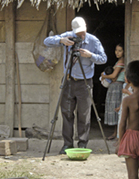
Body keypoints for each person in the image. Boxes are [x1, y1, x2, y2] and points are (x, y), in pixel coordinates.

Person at [44, 17, 107, 154]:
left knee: (84, 114)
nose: (81, 36)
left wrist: (90, 55)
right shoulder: (68, 36)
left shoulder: (93, 41)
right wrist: (61, 40)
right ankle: (67, 144)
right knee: (66, 112)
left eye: (82, 32)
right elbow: (46, 41)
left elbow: (103, 59)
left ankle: (82, 144)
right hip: (68, 80)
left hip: (85, 82)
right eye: (78, 33)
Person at [101, 43, 125, 140]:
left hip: (117, 88)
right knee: (115, 111)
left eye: (120, 50)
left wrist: (103, 76)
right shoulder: (118, 61)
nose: (117, 52)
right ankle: (115, 134)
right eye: (116, 50)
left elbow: (113, 76)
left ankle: (118, 134)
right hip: (114, 87)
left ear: (124, 51)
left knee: (116, 110)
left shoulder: (122, 61)